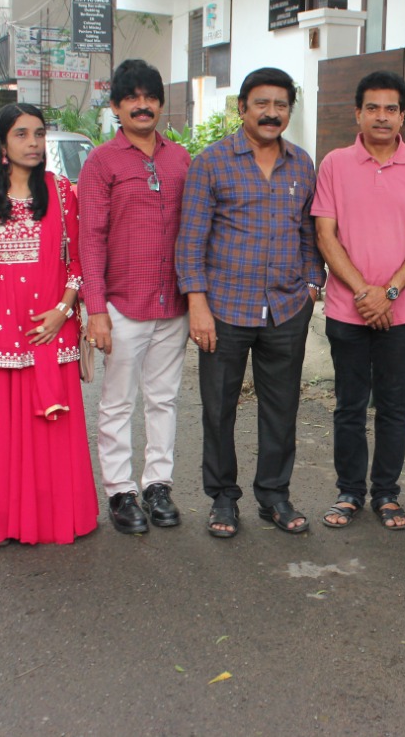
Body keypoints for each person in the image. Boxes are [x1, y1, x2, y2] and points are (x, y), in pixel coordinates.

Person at [176, 67, 323, 538]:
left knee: (281, 409)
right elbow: (190, 241)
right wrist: (198, 304)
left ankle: (274, 495)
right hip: (224, 308)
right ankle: (222, 498)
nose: (271, 113)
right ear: (242, 108)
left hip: (286, 307)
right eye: (262, 103)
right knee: (219, 408)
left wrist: (312, 285)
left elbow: (309, 233)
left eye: (281, 105)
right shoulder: (211, 163)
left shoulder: (301, 164)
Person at [0, 104, 97, 546]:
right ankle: (1, 518)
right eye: (21, 134)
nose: (33, 143)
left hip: (49, 328)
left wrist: (64, 310)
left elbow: (77, 260)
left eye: (39, 133)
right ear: (3, 143)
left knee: (51, 429)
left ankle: (52, 517)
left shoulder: (61, 191)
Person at [312, 70, 405, 530]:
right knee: (349, 405)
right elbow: (325, 236)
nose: (381, 117)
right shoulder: (334, 164)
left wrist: (388, 293)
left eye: (390, 109)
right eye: (373, 108)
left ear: (403, 116)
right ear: (358, 114)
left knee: (391, 405)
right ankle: (349, 491)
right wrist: (364, 292)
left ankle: (386, 494)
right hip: (347, 309)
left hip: (402, 311)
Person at [79, 59, 192, 534]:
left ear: (161, 104)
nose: (142, 106)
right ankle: (121, 491)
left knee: (164, 399)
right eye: (132, 98)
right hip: (122, 304)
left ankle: (157, 485)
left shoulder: (181, 159)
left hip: (173, 304)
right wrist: (96, 310)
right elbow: (90, 239)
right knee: (118, 402)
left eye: (150, 98)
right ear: (116, 106)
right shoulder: (101, 162)